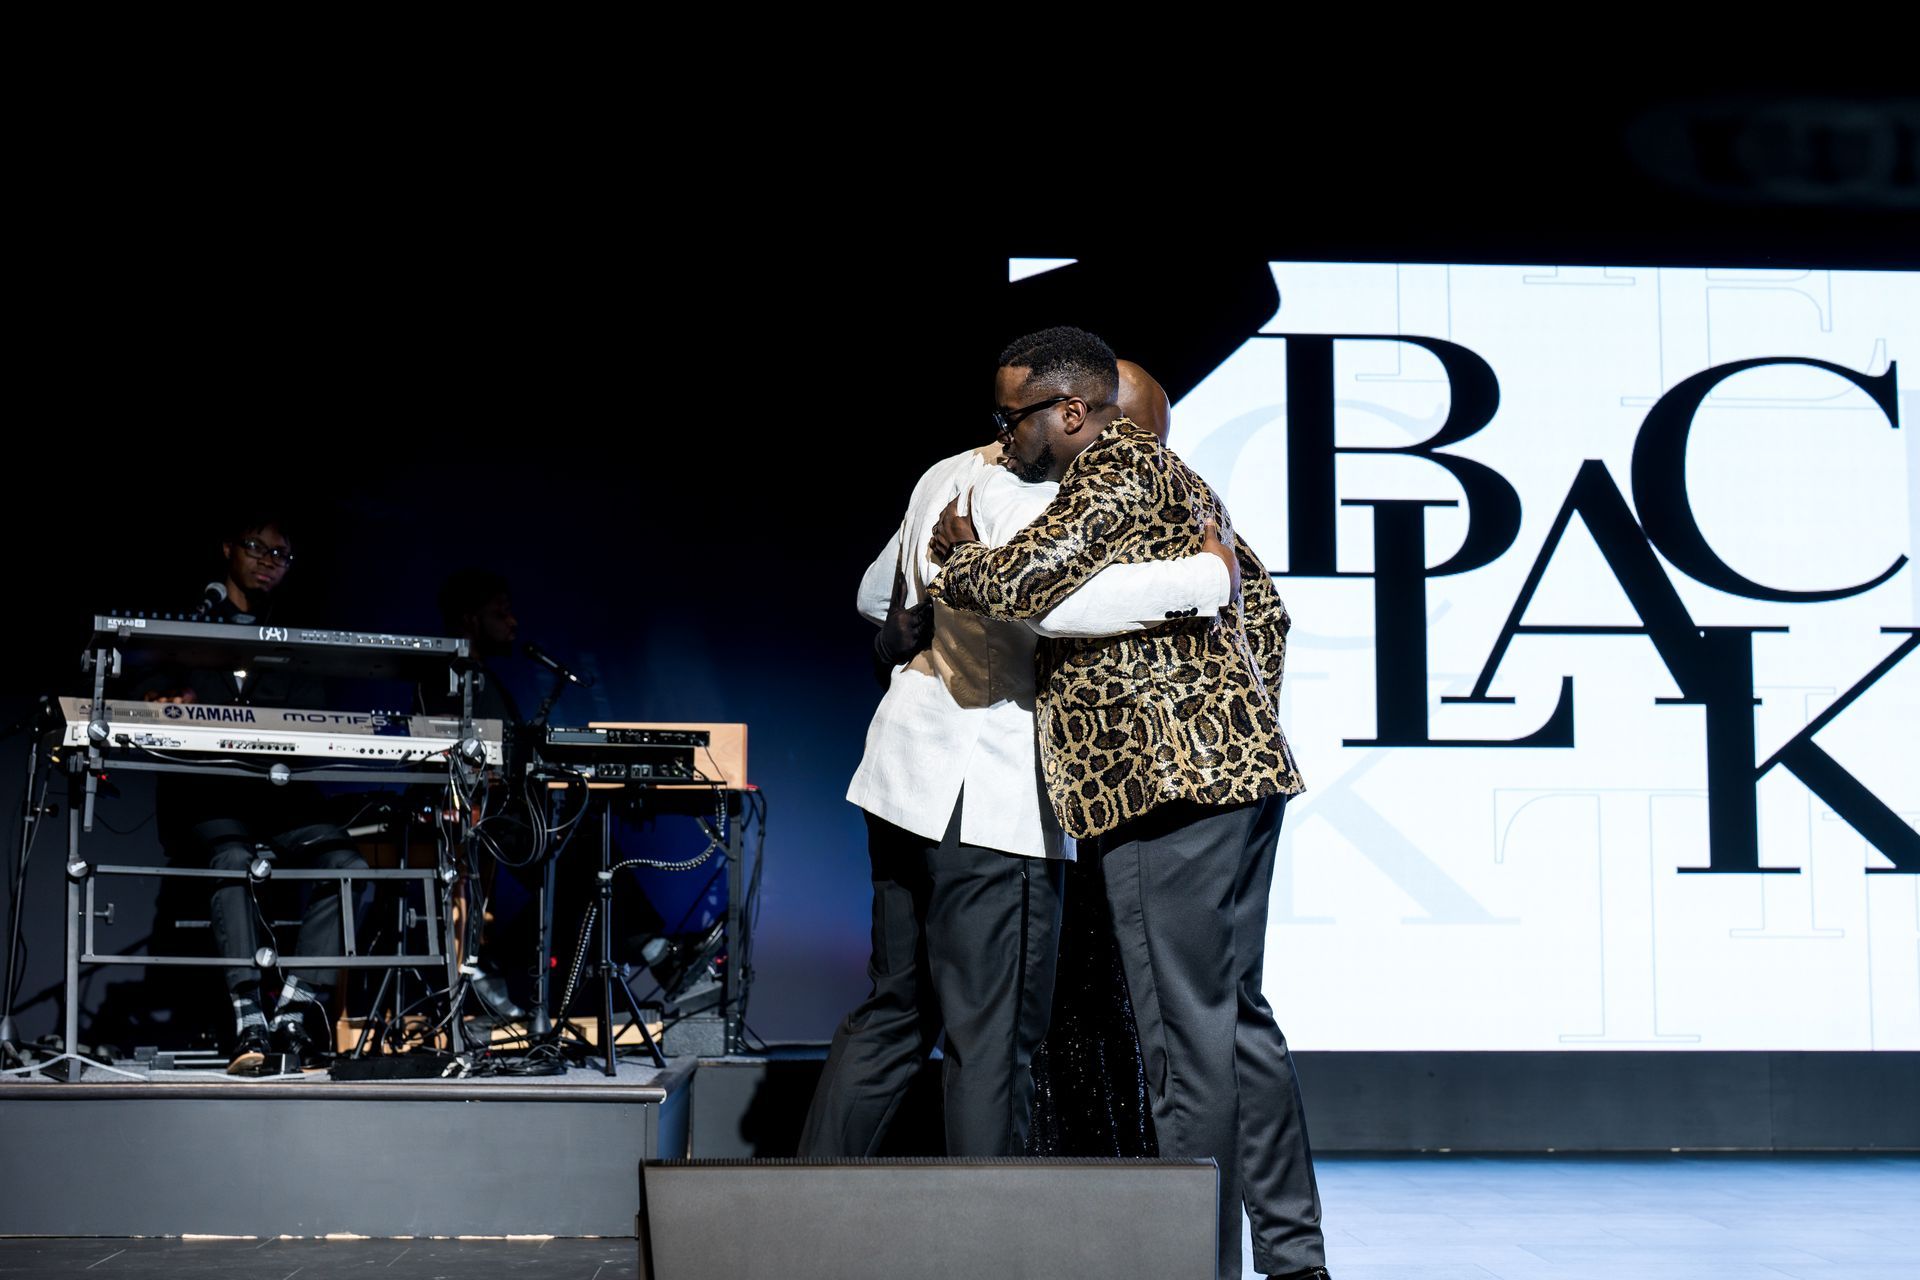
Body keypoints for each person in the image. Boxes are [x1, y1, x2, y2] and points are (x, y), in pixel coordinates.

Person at [930, 326, 1327, 1280]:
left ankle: (1195, 1262)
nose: (1003, 436)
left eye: (1013, 416)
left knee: (1180, 1034)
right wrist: (1223, 716)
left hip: (1163, 787)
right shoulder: (1189, 490)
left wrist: (958, 561)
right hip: (1237, 779)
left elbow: (1023, 584)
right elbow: (1264, 615)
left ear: (1071, 412)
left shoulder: (1117, 466)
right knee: (1234, 1019)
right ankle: (1292, 1253)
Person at [801, 396, 1235, 1159]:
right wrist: (1207, 577)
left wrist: (911, 628)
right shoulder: (1048, 500)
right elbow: (1058, 609)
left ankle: (793, 1221)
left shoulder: (946, 474)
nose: (1134, 452)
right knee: (993, 1040)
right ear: (1081, 417)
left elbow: (875, 597)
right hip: (991, 797)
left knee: (893, 1014)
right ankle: (989, 1249)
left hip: (902, 778)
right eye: (1129, 433)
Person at [144, 513, 367, 1076]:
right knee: (233, 857)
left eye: (283, 555)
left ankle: (293, 1011)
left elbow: (309, 728)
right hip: (211, 805)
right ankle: (249, 1016)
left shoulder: (295, 638)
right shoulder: (187, 627)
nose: (270, 562)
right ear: (226, 548)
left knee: (348, 864)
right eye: (258, 548)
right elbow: (142, 693)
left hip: (279, 802)